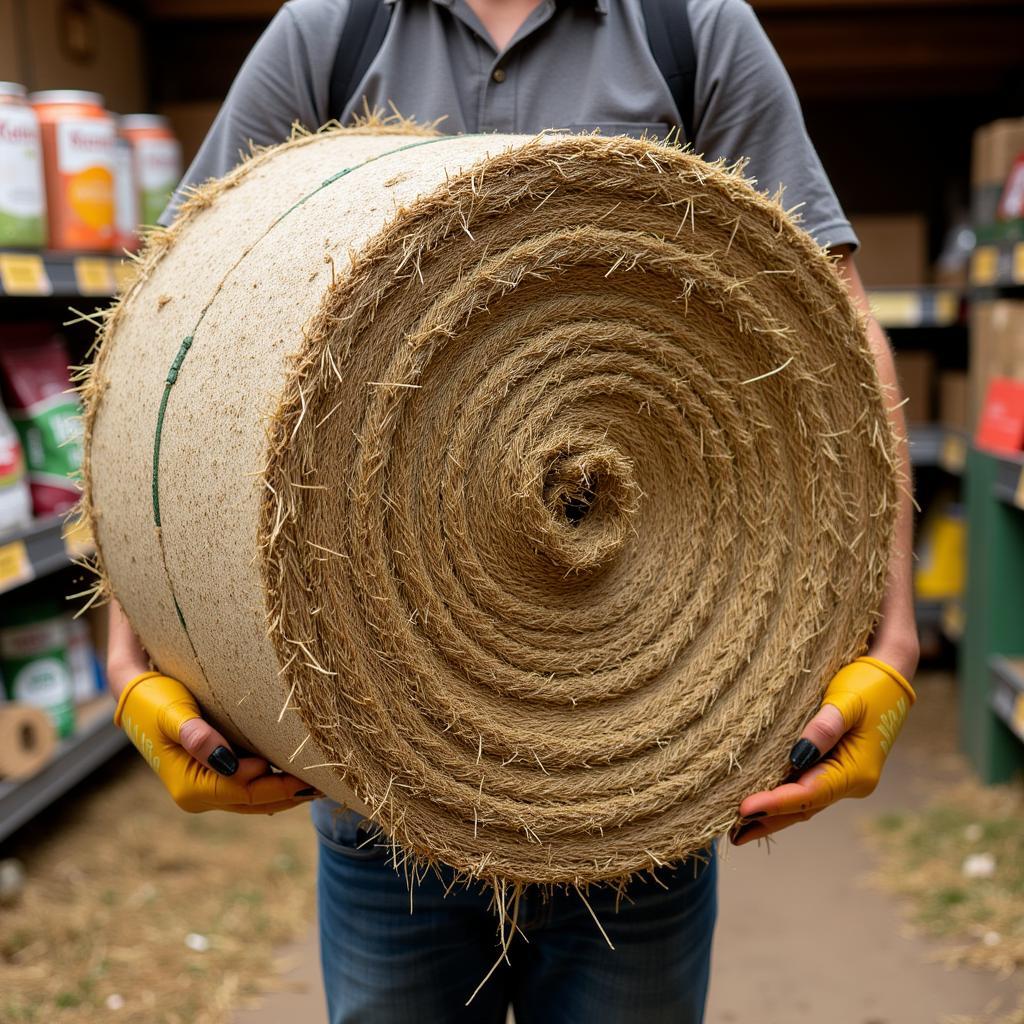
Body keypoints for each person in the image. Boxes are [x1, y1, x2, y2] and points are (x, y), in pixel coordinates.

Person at [106, 0, 921, 1020]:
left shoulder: (690, 27)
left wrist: (892, 631)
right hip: (379, 786)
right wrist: (136, 629)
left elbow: (829, 316)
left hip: (643, 760)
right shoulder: (332, 31)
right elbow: (179, 319)